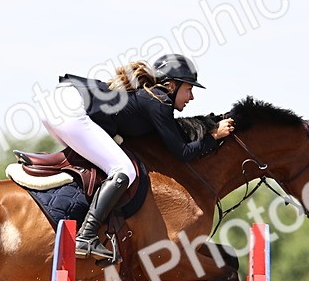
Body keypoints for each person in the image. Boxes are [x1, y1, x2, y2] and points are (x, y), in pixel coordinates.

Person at [40, 54, 235, 259]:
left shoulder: (149, 99)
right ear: (171, 86)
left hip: (58, 103)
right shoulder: (159, 101)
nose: (191, 97)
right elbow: (183, 152)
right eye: (189, 89)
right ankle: (86, 236)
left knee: (102, 165)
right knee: (124, 170)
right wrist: (214, 136)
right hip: (68, 108)